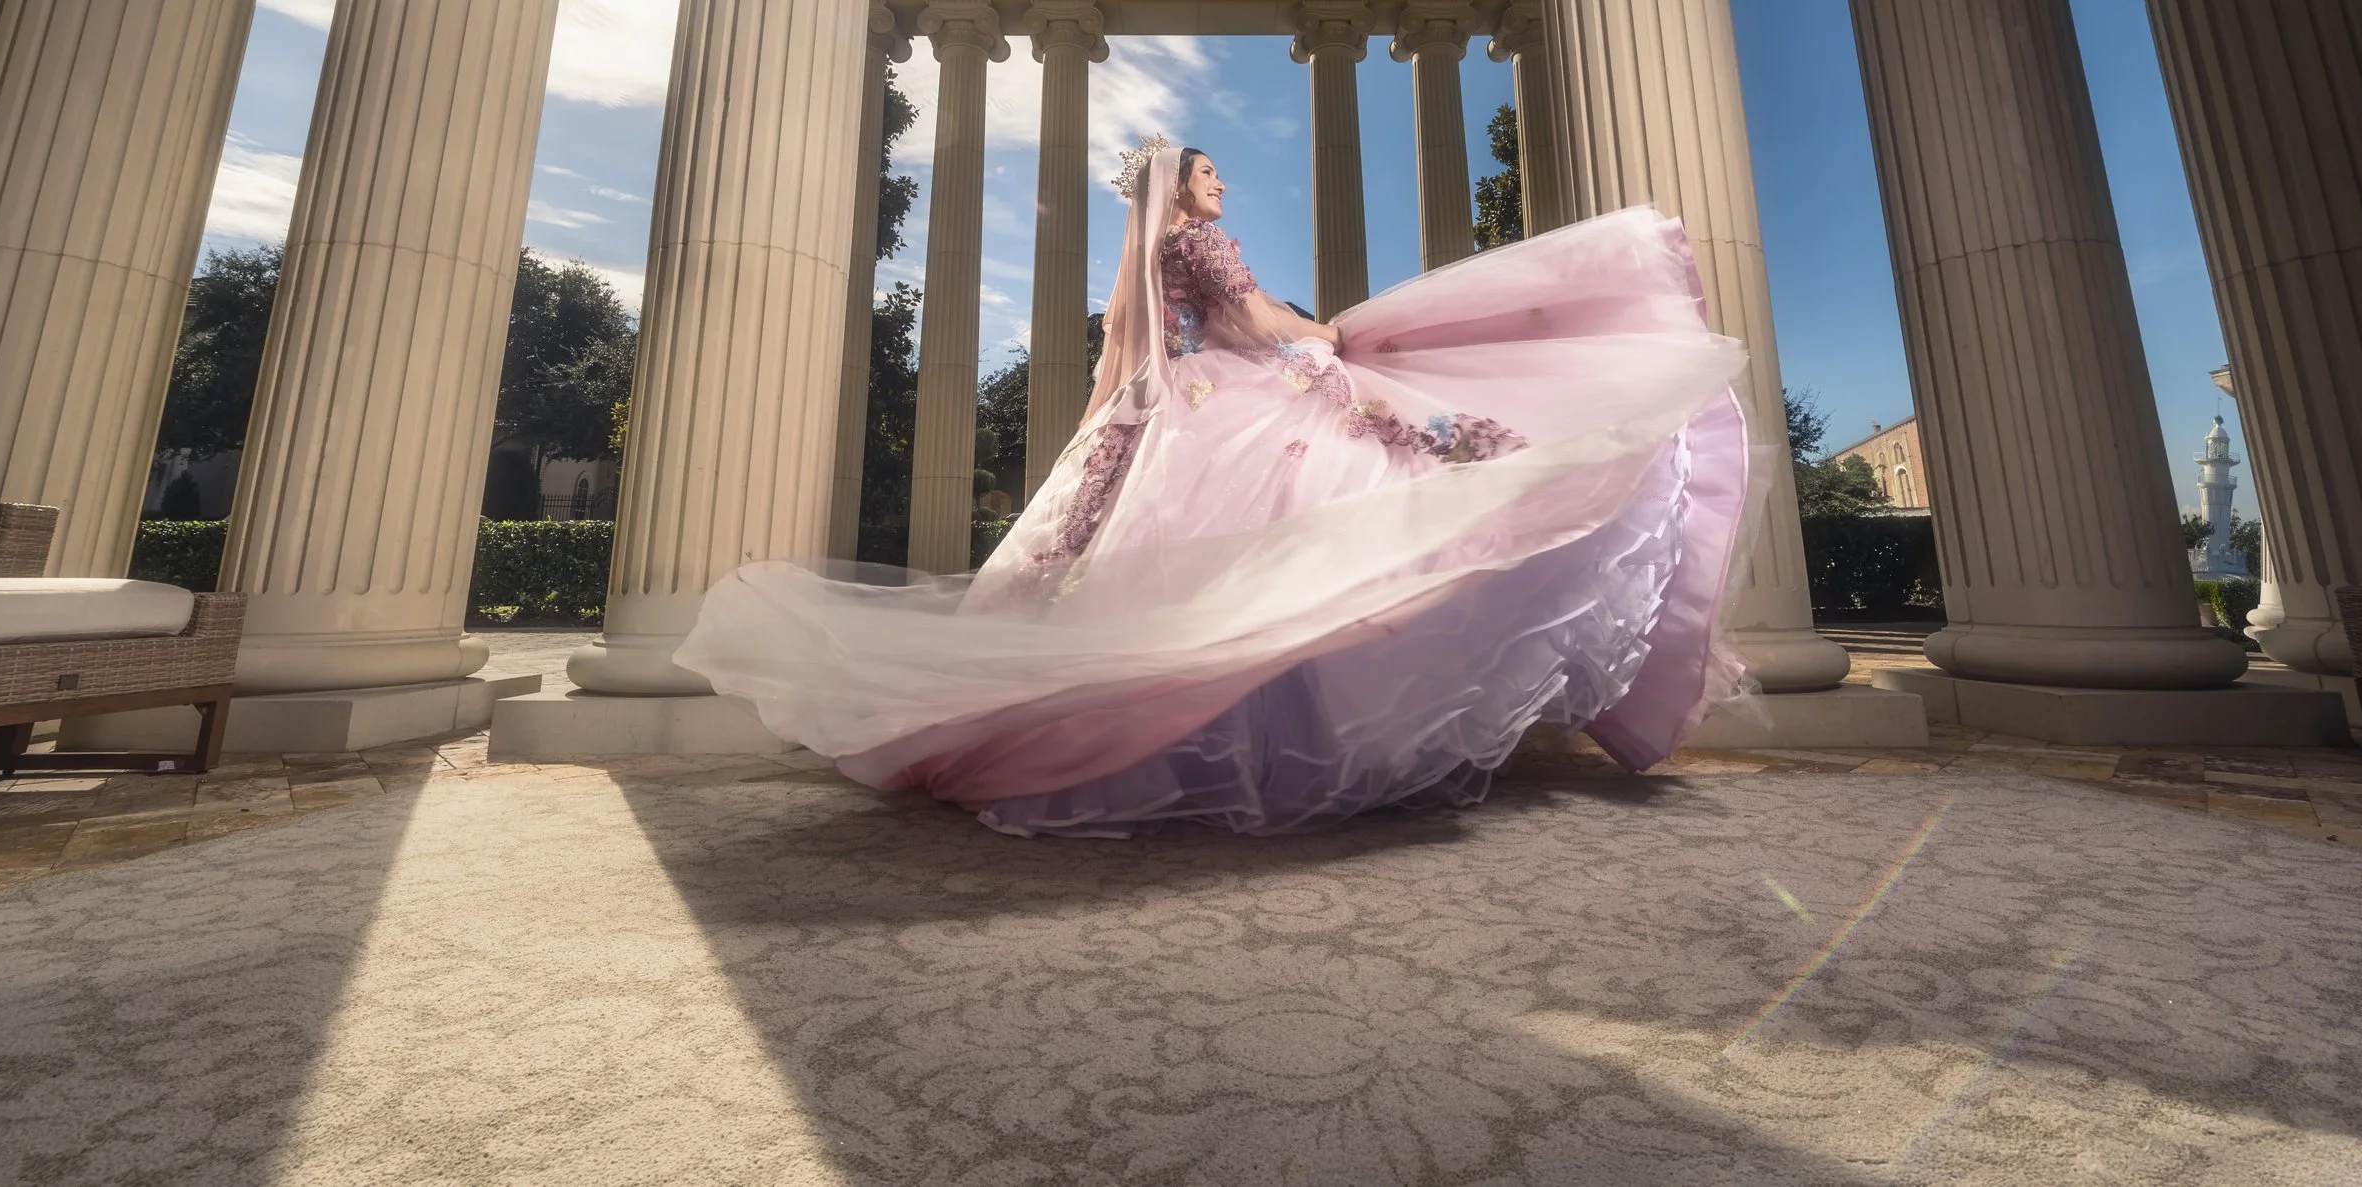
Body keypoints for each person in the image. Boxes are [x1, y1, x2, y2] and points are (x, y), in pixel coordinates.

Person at [677, 138, 1755, 837]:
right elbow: (1254, 325)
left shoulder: (1156, 255)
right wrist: (1327, 333)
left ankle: (1209, 734)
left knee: (1225, 569)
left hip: (1180, 406)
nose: (1221, 184)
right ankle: (1282, 742)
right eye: (1208, 172)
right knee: (1332, 527)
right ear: (1179, 188)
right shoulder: (1201, 244)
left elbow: (1130, 344)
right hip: (1235, 395)